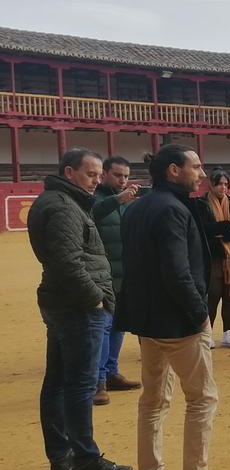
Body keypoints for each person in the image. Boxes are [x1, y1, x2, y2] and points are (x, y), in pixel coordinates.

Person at [120, 143, 230, 470]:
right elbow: (177, 272)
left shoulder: (137, 207)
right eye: (196, 166)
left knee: (153, 402)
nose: (202, 173)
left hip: (147, 320)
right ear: (174, 170)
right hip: (177, 322)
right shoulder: (173, 210)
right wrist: (199, 313)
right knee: (202, 399)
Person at [28, 148, 132, 470]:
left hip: (62, 301)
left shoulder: (59, 202)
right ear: (69, 172)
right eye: (91, 174)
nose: (97, 180)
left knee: (58, 380)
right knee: (80, 383)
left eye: (100, 175)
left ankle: (61, 454)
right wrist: (96, 300)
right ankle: (86, 459)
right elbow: (68, 263)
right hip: (77, 306)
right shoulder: (63, 207)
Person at [91, 155, 146, 406]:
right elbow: (92, 214)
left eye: (125, 175)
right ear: (104, 174)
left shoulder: (126, 202)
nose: (123, 180)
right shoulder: (94, 198)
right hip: (102, 275)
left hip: (125, 274)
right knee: (103, 327)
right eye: (117, 175)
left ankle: (111, 373)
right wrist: (118, 200)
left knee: (119, 326)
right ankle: (98, 381)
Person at [195, 169, 230, 349]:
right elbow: (204, 228)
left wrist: (224, 233)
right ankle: (208, 333)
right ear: (211, 184)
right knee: (213, 294)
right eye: (219, 184)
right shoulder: (202, 204)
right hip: (213, 255)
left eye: (226, 184)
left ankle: (228, 333)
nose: (223, 187)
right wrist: (227, 225)